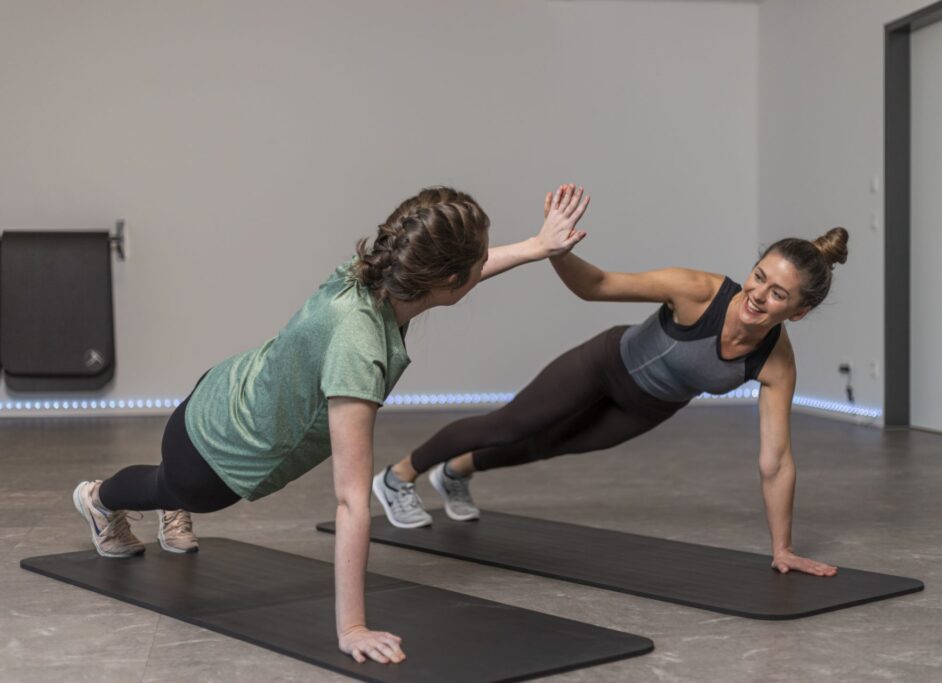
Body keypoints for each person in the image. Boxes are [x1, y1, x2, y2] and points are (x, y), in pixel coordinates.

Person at [71, 184, 591, 665]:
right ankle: (99, 499)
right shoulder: (358, 351)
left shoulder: (371, 270)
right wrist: (353, 628)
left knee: (175, 485)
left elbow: (458, 270)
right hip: (218, 450)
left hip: (225, 387)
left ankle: (168, 504)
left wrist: (536, 246)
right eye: (480, 261)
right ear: (448, 282)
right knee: (172, 486)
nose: (484, 265)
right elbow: (350, 499)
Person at [376, 185, 845, 578]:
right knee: (509, 425)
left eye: (777, 294)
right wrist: (556, 251)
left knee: (548, 446)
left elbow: (776, 462)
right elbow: (595, 285)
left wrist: (781, 548)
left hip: (646, 408)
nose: (758, 295)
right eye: (759, 276)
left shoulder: (775, 363)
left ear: (798, 312)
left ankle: (456, 470)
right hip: (604, 365)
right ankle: (398, 477)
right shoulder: (698, 291)